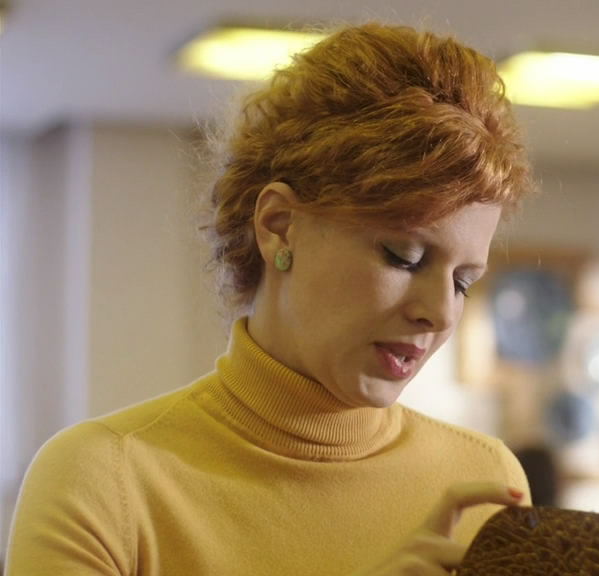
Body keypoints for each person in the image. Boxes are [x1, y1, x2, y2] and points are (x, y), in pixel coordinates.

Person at [5, 22, 535, 575]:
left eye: (463, 282)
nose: (441, 312)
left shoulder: (484, 483)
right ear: (279, 227)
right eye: (403, 256)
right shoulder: (103, 482)